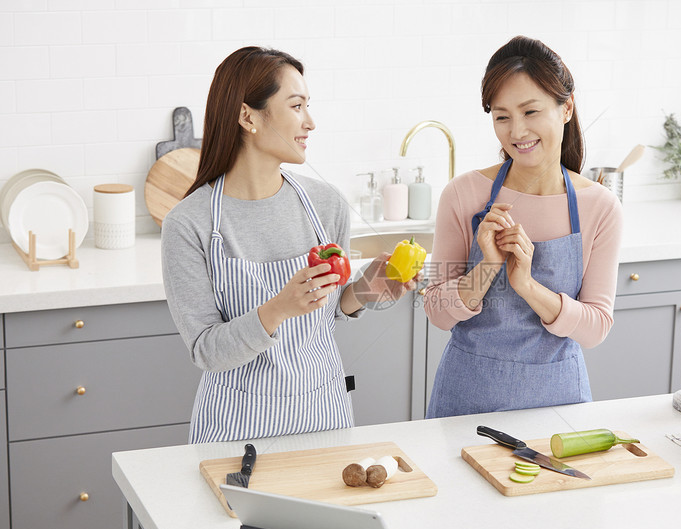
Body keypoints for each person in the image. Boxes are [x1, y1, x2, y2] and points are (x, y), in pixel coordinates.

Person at [162, 46, 418, 443]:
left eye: (307, 106)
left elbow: (326, 315)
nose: (310, 122)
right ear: (248, 116)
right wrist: (278, 309)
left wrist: (367, 290)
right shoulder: (189, 224)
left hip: (324, 414)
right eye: (296, 106)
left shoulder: (325, 204)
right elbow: (207, 351)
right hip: (237, 427)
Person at [424, 36, 623, 417]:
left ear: (566, 109)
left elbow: (595, 327)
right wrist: (486, 268)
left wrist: (527, 286)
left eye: (530, 112)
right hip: (466, 400)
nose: (516, 132)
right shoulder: (463, 194)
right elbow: (436, 311)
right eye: (502, 117)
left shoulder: (600, 206)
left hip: (558, 405)